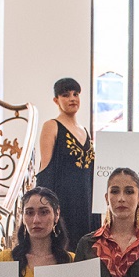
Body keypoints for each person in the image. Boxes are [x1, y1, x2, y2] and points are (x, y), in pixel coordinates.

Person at [34, 77, 94, 246]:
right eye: (66, 95)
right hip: (63, 201)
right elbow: (45, 167)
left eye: (76, 94)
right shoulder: (51, 126)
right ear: (56, 100)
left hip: (85, 202)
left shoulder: (84, 131)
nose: (72, 98)